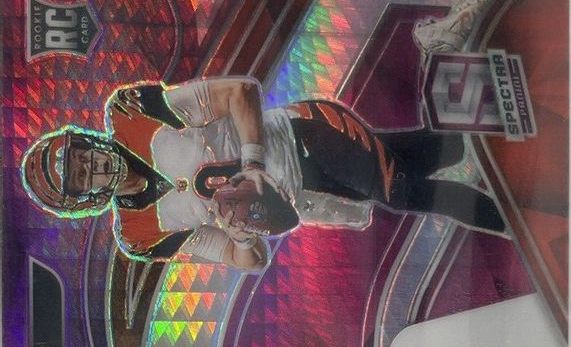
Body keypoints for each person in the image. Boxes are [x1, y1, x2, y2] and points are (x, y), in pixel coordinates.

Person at [22, 76, 505, 271]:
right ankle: (503, 122)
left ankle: (511, 216)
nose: (91, 166)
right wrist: (241, 234)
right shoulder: (140, 232)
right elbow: (248, 261)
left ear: (86, 140)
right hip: (311, 196)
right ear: (84, 199)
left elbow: (240, 92)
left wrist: (252, 164)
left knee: (400, 191)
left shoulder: (134, 114)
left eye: (81, 156)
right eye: (80, 176)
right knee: (427, 154)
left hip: (305, 136)